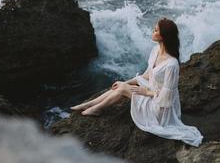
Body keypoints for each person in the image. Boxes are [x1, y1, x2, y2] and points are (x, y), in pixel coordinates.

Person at [70, 17, 204, 147]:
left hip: (160, 108)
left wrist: (146, 92)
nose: (153, 31)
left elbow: (167, 98)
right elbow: (147, 75)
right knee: (122, 86)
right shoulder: (156, 50)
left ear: (164, 36)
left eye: (156, 30)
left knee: (122, 89)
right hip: (153, 92)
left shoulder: (172, 64)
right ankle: (90, 104)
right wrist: (127, 82)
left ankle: (95, 109)